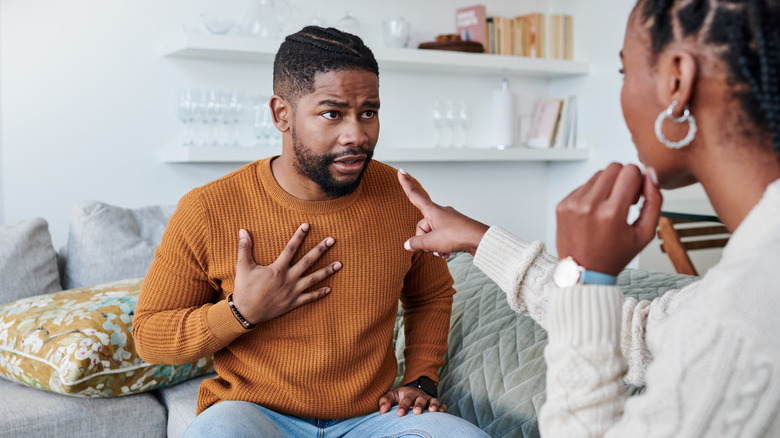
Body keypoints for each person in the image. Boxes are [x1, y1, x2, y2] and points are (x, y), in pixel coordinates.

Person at [397, 0, 780, 435]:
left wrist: (584, 275)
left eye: (624, 72)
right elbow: (641, 336)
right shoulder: (753, 273)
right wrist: (482, 240)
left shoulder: (749, 311)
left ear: (677, 80)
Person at [132, 26, 487, 437]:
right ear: (282, 114)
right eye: (332, 113)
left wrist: (422, 377)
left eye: (368, 112)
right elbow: (150, 336)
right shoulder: (208, 209)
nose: (357, 134)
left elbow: (430, 294)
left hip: (372, 419)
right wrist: (240, 311)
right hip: (254, 414)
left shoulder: (400, 194)